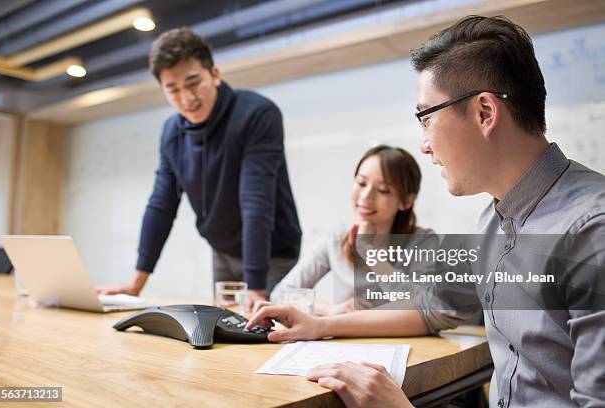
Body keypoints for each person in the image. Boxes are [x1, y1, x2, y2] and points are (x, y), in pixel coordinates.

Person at [248, 15, 605, 407]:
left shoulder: (592, 232)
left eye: (426, 118)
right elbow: (431, 307)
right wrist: (320, 325)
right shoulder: (491, 222)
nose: (424, 145)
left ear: (485, 113)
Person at [98, 27, 302, 308]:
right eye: (173, 89)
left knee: (261, 330)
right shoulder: (172, 133)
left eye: (193, 83)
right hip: (222, 250)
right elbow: (161, 204)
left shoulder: (257, 114)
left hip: (271, 254)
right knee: (223, 330)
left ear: (215, 74)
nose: (186, 98)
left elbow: (256, 201)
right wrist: (136, 283)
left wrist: (255, 288)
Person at [268, 145, 434, 315]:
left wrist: (369, 252)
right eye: (361, 183)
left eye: (383, 190)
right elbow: (280, 294)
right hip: (347, 339)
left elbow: (424, 305)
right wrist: (329, 309)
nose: (366, 196)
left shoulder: (422, 241)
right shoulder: (337, 239)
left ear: (406, 201)